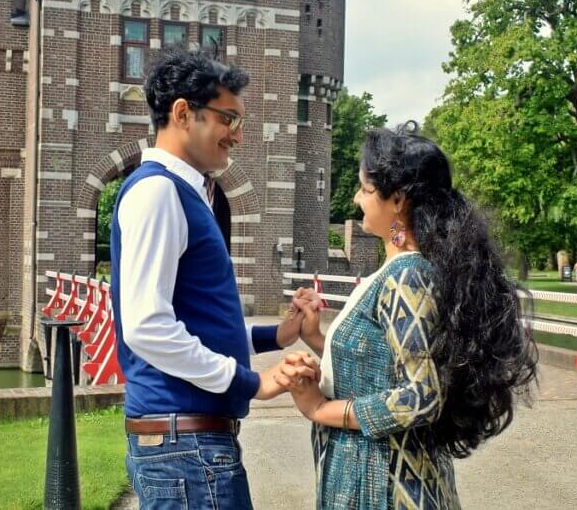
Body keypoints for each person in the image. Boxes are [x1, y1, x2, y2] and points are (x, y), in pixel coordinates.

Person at [273, 122, 538, 509]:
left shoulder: (408, 276)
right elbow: (388, 363)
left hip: (384, 486)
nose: (355, 199)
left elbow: (421, 396)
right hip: (378, 479)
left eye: (365, 189)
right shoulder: (400, 269)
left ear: (397, 199)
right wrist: (318, 339)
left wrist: (320, 409)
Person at [111, 52, 318, 509]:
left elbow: (194, 321)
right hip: (186, 445)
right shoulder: (159, 191)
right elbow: (146, 326)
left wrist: (275, 336)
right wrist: (249, 382)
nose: (238, 136)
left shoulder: (180, 191)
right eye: (228, 118)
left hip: (187, 444)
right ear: (184, 113)